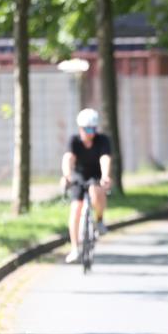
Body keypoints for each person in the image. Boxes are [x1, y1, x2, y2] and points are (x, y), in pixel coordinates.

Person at [61, 108, 112, 263]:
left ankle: (99, 219)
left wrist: (105, 176)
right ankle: (75, 248)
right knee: (75, 209)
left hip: (96, 175)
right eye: (87, 129)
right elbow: (68, 158)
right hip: (79, 176)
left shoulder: (103, 140)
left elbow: (105, 158)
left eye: (93, 129)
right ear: (80, 128)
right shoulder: (74, 140)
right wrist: (67, 175)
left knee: (96, 191)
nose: (91, 132)